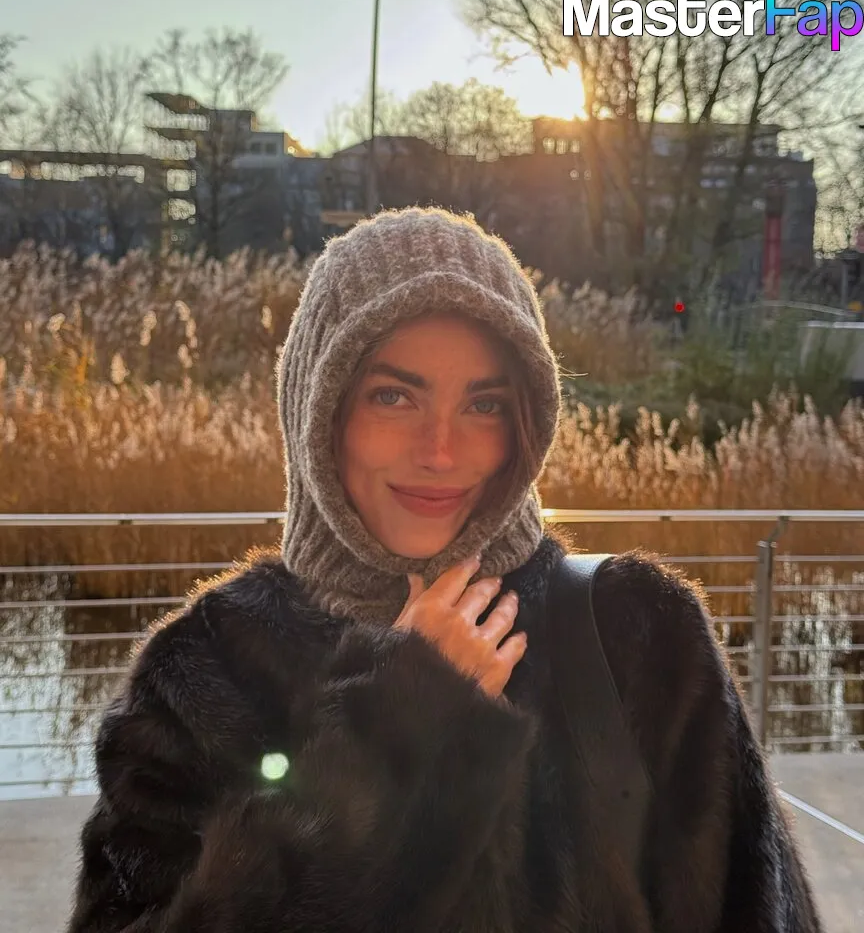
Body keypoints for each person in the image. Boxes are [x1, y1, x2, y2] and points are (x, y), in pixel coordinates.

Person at [65, 206, 821, 933]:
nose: (441, 451)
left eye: (484, 405)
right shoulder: (203, 671)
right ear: (316, 409)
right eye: (393, 396)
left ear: (527, 421)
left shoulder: (637, 631)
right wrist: (392, 731)